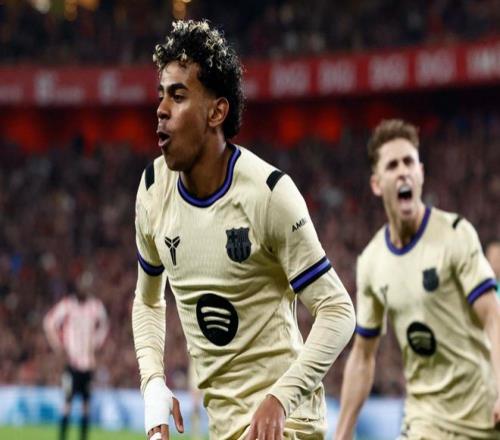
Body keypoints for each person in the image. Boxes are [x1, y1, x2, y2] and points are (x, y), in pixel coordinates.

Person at [132, 19, 355, 440]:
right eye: (161, 94)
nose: (161, 109)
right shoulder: (153, 190)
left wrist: (281, 398)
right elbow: (147, 300)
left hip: (289, 426)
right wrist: (152, 383)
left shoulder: (269, 194)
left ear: (216, 112)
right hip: (226, 428)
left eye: (178, 96)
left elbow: (338, 311)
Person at [334, 119, 500, 439]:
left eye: (409, 162)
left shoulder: (456, 234)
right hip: (424, 421)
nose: (403, 172)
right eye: (392, 165)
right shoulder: (371, 261)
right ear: (377, 184)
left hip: (482, 418)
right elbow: (363, 356)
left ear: (421, 173)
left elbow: (493, 316)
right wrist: (341, 433)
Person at [44, 271, 109, 440]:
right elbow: (49, 322)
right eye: (82, 285)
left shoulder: (95, 306)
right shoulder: (68, 305)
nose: (84, 289)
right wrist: (59, 344)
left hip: (88, 364)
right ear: (77, 287)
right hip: (71, 363)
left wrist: (96, 342)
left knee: (86, 406)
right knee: (67, 403)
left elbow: (104, 325)